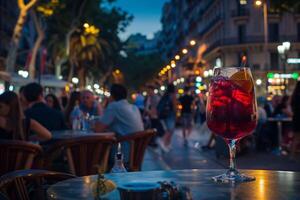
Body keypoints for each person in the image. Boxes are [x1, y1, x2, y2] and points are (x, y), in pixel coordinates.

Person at [94, 84, 144, 166]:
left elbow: (98, 129)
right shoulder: (134, 108)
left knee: (97, 153)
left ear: (112, 96)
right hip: (136, 154)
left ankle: (94, 172)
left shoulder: (114, 106)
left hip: (123, 154)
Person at [156, 84, 177, 152]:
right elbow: (174, 106)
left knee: (169, 129)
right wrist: (176, 114)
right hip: (170, 114)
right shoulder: (172, 95)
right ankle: (162, 142)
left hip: (164, 115)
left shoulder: (165, 95)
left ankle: (167, 144)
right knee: (170, 130)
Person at [290, 81, 300, 160]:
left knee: (296, 138)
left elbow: (291, 106)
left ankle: (292, 155)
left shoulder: (294, 96)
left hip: (296, 118)